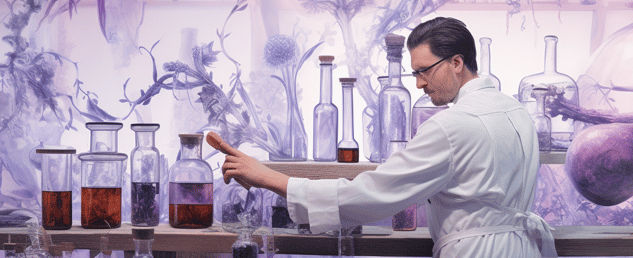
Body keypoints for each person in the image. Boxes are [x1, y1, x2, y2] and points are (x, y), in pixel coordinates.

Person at [208, 17, 555, 257]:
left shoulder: (452, 125)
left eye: (424, 71)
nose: (418, 82)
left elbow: (373, 194)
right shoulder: (516, 112)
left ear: (457, 62)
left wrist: (269, 177)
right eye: (413, 72)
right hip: (525, 248)